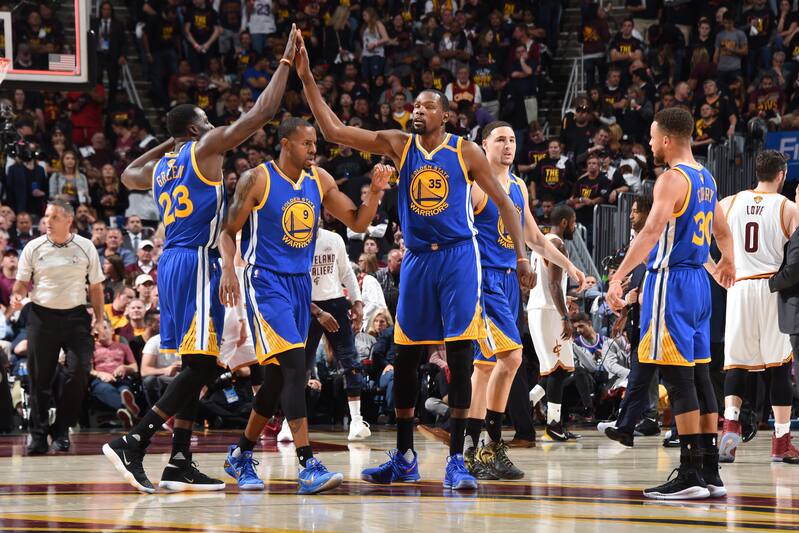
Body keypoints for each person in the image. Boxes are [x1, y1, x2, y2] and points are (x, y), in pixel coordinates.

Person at [295, 37, 535, 490]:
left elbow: (506, 204)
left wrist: (522, 256)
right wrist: (307, 78)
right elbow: (334, 131)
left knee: (462, 357)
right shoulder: (397, 144)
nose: (418, 111)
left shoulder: (466, 151)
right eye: (415, 106)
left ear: (445, 115)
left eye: (427, 106)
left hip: (461, 259)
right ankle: (404, 456)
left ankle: (457, 459)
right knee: (406, 358)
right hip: (419, 263)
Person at [101, 25, 302, 494]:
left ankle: (178, 460)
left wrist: (170, 141)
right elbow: (262, 112)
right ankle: (136, 440)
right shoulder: (203, 149)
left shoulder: (158, 168)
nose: (215, 128)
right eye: (207, 122)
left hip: (175, 261)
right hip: (194, 261)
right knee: (203, 367)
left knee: (200, 361)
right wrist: (286, 65)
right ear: (196, 131)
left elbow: (130, 174)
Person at [217, 118, 390, 494]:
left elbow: (357, 220)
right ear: (285, 144)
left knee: (280, 376)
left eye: (315, 144)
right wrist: (230, 270)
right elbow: (227, 232)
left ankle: (241, 453)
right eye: (306, 143)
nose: (314, 150)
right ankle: (307, 462)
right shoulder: (257, 179)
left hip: (301, 284)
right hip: (264, 281)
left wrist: (375, 192)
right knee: (297, 364)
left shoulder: (319, 179)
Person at [606, 107, 735, 500]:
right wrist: (726, 261)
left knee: (677, 379)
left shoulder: (671, 179)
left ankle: (691, 473)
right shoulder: (706, 178)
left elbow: (650, 231)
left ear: (665, 139)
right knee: (699, 375)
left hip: (672, 281)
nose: (648, 143)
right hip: (698, 282)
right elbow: (722, 230)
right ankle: (710, 471)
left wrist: (619, 276)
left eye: (651, 136)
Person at [463, 121, 585, 480]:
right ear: (483, 144)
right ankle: (492, 444)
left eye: (512, 139)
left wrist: (571, 266)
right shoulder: (473, 186)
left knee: (485, 368)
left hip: (509, 283)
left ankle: (472, 448)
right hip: (484, 280)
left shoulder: (517, 186)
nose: (508, 145)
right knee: (512, 357)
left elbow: (535, 238)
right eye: (500, 139)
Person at [719, 150, 799, 464]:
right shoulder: (788, 207)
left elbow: (703, 239)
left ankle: (731, 426)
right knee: (779, 366)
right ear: (781, 175)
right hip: (771, 287)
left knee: (736, 363)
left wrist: (718, 269)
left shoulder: (730, 203)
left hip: (738, 287)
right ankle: (781, 442)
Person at [12, 199, 105, 454]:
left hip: (76, 317)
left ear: (68, 220)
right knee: (39, 379)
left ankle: (61, 430)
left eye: (53, 217)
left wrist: (101, 319)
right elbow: (21, 283)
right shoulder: (33, 247)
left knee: (78, 373)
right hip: (41, 316)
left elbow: (96, 287)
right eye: (46, 217)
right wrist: (16, 295)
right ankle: (38, 435)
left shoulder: (86, 247)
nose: (47, 222)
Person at [304, 225, 371, 441]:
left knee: (351, 361)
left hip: (335, 302)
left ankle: (356, 420)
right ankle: (289, 421)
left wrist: (358, 302)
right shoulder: (293, 241)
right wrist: (317, 311)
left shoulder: (333, 239)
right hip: (308, 305)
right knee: (300, 365)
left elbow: (347, 273)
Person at [526, 205, 581, 441]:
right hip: (549, 313)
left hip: (538, 309)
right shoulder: (558, 245)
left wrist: (564, 299)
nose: (576, 226)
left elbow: (548, 285)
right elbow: (553, 285)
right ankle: (554, 425)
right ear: (566, 222)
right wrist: (564, 316)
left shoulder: (542, 242)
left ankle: (521, 405)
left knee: (551, 370)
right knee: (559, 370)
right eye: (575, 221)